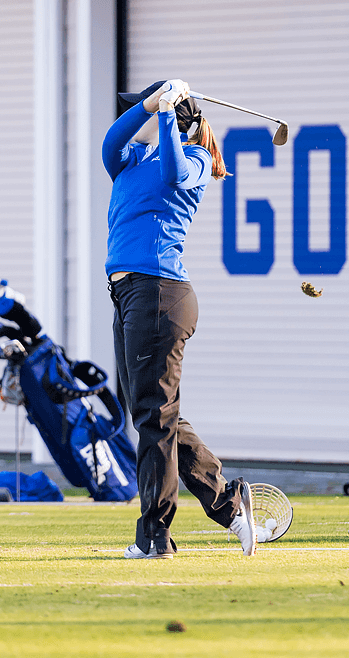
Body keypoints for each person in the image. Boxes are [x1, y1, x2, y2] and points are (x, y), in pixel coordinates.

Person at [103, 79, 258, 558]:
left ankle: (155, 534)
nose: (143, 116)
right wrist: (154, 104)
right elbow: (111, 143)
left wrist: (169, 114)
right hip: (129, 295)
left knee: (153, 416)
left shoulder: (193, 160)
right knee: (153, 413)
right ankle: (229, 505)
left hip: (160, 294)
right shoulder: (131, 159)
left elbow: (173, 171)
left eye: (151, 110)